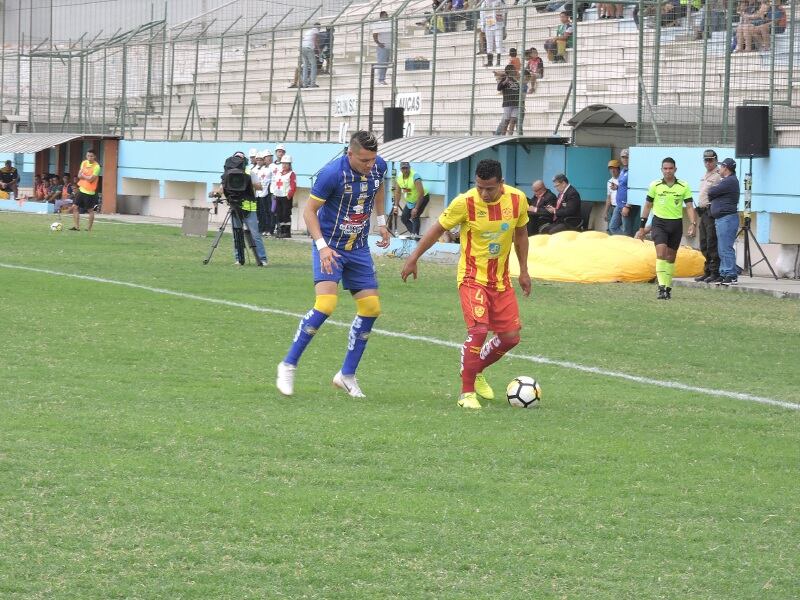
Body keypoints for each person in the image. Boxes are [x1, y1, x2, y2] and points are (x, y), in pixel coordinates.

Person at [400, 159, 530, 409]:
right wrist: (413, 258)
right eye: (479, 187)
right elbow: (437, 229)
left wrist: (524, 271)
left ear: (501, 183)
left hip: (501, 280)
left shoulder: (517, 199)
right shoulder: (465, 202)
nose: (484, 193)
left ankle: (475, 368)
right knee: (479, 331)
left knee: (510, 337)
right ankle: (466, 393)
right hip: (472, 278)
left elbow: (521, 234)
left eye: (489, 188)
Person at [276, 130, 390, 399]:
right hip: (330, 247)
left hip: (358, 247)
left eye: (373, 159)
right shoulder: (331, 174)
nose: (370, 165)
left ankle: (346, 375)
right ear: (349, 154)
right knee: (326, 305)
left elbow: (378, 188)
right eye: (364, 160)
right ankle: (288, 364)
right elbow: (309, 211)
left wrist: (382, 222)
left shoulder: (378, 166)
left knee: (371, 308)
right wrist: (322, 247)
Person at [636, 157, 697, 300]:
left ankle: (668, 287)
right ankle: (661, 288)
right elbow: (647, 206)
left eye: (670, 168)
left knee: (671, 257)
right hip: (659, 223)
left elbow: (689, 206)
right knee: (661, 253)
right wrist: (642, 227)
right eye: (665, 168)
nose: (668, 171)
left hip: (676, 224)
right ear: (661, 170)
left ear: (675, 169)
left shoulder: (683, 186)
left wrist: (693, 224)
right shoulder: (655, 185)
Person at [212, 152, 268, 266]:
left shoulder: (249, 172)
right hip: (235, 206)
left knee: (255, 234)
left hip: (249, 207)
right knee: (237, 234)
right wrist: (216, 193)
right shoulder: (228, 174)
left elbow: (259, 187)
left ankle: (262, 259)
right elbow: (221, 189)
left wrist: (247, 182)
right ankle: (239, 259)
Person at [708, 158, 741, 286]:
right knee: (721, 248)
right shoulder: (727, 181)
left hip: (727, 219)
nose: (719, 169)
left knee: (726, 247)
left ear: (726, 168)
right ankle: (724, 273)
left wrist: (713, 191)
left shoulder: (729, 181)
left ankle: (731, 275)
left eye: (721, 167)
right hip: (722, 219)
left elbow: (711, 192)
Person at [695, 149, 722, 283]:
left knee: (712, 242)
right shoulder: (705, 175)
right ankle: (707, 270)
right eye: (706, 160)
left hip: (711, 211)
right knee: (703, 243)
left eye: (710, 160)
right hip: (703, 212)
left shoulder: (718, 175)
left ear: (716, 160)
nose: (708, 163)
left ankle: (714, 271)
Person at [393, 161, 430, 238]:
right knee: (404, 218)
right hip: (410, 200)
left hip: (422, 197)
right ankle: (413, 234)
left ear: (409, 168)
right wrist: (395, 206)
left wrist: (416, 208)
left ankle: (415, 235)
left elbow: (421, 193)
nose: (405, 170)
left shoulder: (415, 177)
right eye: (403, 168)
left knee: (415, 215)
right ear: (400, 169)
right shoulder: (399, 178)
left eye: (406, 168)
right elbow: (397, 193)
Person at [70, 150, 102, 231]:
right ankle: (76, 227)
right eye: (88, 156)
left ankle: (89, 228)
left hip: (89, 192)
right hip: (81, 190)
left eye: (91, 156)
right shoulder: (84, 163)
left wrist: (84, 175)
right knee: (75, 207)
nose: (89, 158)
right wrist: (86, 177)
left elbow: (91, 179)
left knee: (90, 210)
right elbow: (79, 175)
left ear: (94, 157)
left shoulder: (97, 167)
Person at [271, 154, 297, 239]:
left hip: (286, 197)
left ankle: (287, 232)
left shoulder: (291, 174)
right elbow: (275, 184)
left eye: (286, 163)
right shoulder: (278, 173)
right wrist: (274, 194)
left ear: (290, 165)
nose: (284, 165)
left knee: (286, 214)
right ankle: (280, 231)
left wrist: (289, 195)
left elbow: (293, 186)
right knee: (279, 214)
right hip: (278, 196)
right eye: (283, 163)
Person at [618, 148, 640, 236]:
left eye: (627, 157)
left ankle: (628, 241)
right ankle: (623, 240)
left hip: (627, 205)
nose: (624, 159)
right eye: (623, 157)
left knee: (627, 230)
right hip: (619, 204)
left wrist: (627, 205)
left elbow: (634, 189)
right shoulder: (623, 170)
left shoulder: (633, 170)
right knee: (613, 226)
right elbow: (623, 185)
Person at [495, 64, 520, 135]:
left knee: (513, 120)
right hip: (508, 103)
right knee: (506, 121)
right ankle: (503, 136)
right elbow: (499, 88)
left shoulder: (516, 80)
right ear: (509, 71)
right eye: (514, 69)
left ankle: (510, 136)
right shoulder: (505, 78)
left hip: (516, 103)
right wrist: (505, 80)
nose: (515, 70)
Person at [480, 0, 505, 67]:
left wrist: (504, 26)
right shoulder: (484, 3)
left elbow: (505, 12)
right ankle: (490, 62)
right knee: (489, 44)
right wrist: (482, 25)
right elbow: (482, 14)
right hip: (488, 25)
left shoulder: (500, 2)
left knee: (498, 43)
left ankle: (498, 62)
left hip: (498, 25)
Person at [373, 11, 392, 86]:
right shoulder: (378, 24)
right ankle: (380, 79)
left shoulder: (389, 24)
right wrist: (378, 43)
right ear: (381, 16)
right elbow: (375, 34)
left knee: (386, 63)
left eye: (387, 15)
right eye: (385, 15)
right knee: (382, 63)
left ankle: (382, 79)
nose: (386, 16)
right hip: (382, 47)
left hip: (388, 46)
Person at [300, 22, 320, 88]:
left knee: (305, 65)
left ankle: (304, 84)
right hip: (309, 48)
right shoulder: (316, 30)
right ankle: (312, 83)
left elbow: (303, 39)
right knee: (313, 65)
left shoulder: (308, 31)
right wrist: (318, 49)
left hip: (302, 48)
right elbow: (315, 40)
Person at [604, 159, 620, 233]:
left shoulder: (622, 179)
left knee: (614, 227)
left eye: (614, 168)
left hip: (620, 207)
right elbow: (608, 198)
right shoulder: (609, 181)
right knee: (610, 229)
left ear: (618, 169)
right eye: (610, 169)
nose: (612, 171)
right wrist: (605, 211)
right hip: (612, 207)